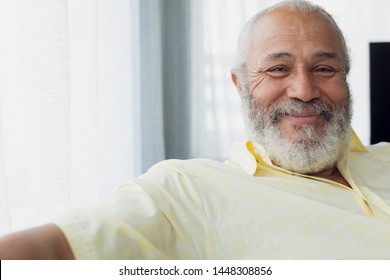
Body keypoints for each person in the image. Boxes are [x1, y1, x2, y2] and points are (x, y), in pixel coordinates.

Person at [1, 0, 390, 260]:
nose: (304, 91)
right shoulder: (190, 190)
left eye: (324, 69)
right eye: (277, 69)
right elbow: (58, 246)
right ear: (240, 85)